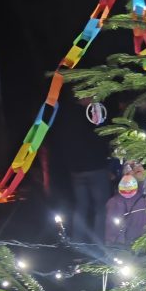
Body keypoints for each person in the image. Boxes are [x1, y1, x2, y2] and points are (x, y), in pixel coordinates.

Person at [56, 96, 114, 244]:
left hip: (76, 170)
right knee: (101, 208)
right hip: (95, 167)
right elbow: (101, 137)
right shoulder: (92, 114)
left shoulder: (66, 114)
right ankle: (100, 243)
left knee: (80, 207)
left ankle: (78, 242)